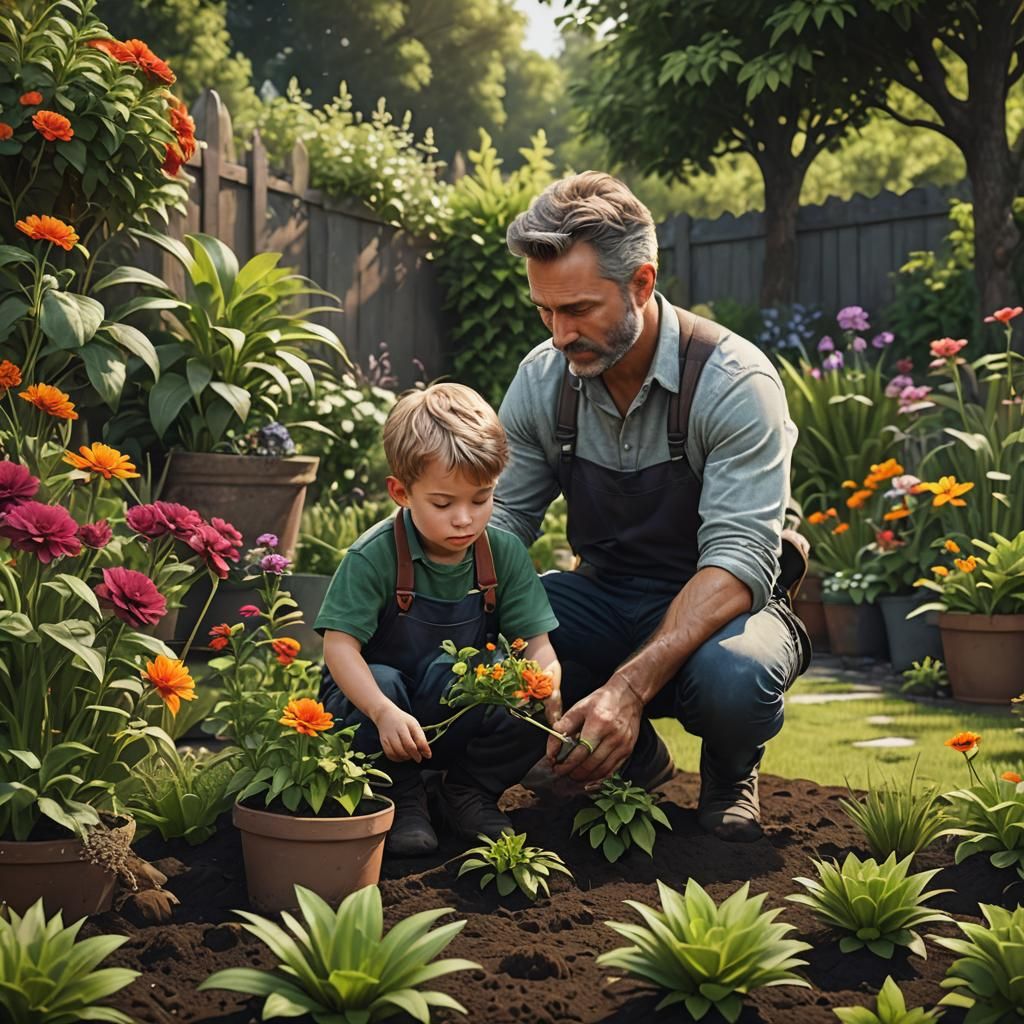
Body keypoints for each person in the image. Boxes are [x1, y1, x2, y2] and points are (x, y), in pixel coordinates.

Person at [491, 172, 811, 843]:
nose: (557, 335)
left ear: (641, 282)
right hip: (604, 594)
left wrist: (630, 689)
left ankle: (730, 772)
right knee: (478, 624)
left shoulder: (733, 383)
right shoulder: (545, 379)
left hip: (727, 606)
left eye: (577, 309)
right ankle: (634, 759)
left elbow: (737, 561)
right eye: (544, 312)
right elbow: (498, 527)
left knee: (736, 677)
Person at [315, 382, 560, 856]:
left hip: (456, 712)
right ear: (401, 492)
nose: (465, 520)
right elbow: (339, 648)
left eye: (481, 498)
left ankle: (467, 792)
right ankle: (400, 796)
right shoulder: (374, 556)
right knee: (382, 681)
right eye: (444, 504)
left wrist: (547, 689)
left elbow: (537, 641)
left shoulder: (501, 554)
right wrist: (383, 711)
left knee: (522, 685)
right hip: (378, 716)